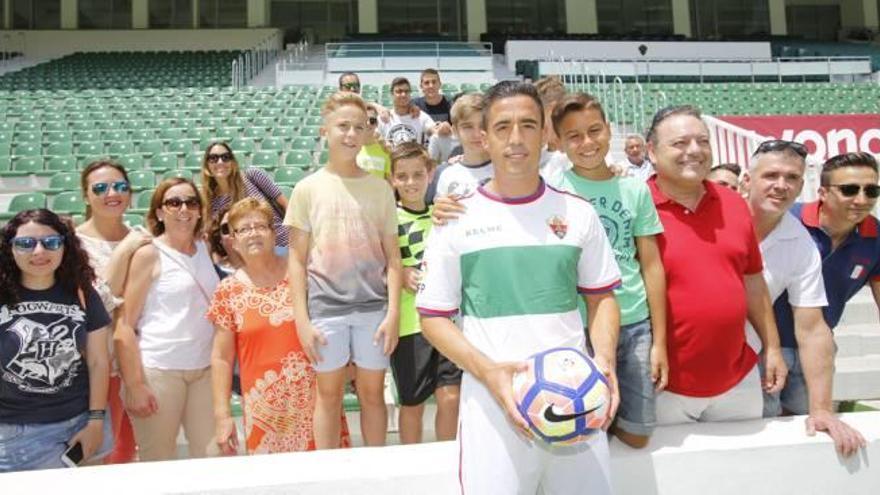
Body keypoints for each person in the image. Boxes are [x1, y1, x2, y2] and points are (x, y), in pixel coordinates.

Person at [418, 81, 621, 494]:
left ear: (545, 132)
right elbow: (433, 319)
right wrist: (488, 372)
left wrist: (604, 362)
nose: (516, 139)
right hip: (492, 406)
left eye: (528, 125)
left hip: (576, 399)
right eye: (503, 127)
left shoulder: (577, 214)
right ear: (483, 137)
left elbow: (601, 298)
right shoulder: (454, 218)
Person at [645, 105, 786, 425]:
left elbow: (752, 281)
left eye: (702, 141)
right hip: (663, 386)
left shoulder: (735, 205)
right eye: (680, 143)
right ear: (652, 152)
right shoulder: (635, 207)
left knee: (743, 475)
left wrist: (772, 346)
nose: (694, 151)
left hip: (738, 382)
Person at [550, 93, 668, 449]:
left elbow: (650, 264)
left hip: (633, 324)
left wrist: (659, 341)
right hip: (578, 328)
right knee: (581, 432)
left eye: (594, 130)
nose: (587, 142)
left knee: (637, 434)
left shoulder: (635, 189)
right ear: (558, 142)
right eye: (574, 136)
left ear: (609, 130)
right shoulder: (554, 192)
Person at [285, 91, 402, 449]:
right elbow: (296, 260)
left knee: (371, 395)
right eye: (343, 126)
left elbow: (394, 259)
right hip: (325, 311)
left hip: (373, 310)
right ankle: (328, 475)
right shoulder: (307, 189)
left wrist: (394, 313)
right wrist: (302, 321)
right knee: (329, 395)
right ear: (325, 132)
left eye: (359, 127)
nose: (351, 134)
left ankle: (376, 473)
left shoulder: (380, 189)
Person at [742, 141, 865, 457]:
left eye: (792, 178)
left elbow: (812, 327)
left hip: (754, 359)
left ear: (801, 186)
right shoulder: (713, 219)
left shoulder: (800, 242)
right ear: (747, 180)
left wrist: (822, 409)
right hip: (686, 365)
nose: (781, 186)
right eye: (771, 175)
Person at [207, 198, 351, 455]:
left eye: (260, 226)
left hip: (317, 403)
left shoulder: (304, 275)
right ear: (233, 240)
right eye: (243, 229)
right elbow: (221, 358)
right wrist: (222, 415)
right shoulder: (227, 292)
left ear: (274, 234)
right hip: (264, 414)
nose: (253, 233)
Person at [115, 178, 220, 461]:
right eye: (174, 202)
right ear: (160, 212)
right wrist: (135, 385)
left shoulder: (206, 248)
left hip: (205, 371)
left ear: (199, 210)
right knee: (159, 462)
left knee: (214, 457)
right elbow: (124, 324)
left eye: (191, 201)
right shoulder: (148, 254)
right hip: (160, 371)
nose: (183, 208)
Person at [0, 209, 112, 471]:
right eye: (26, 244)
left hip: (83, 425)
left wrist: (95, 422)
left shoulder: (82, 292)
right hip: (19, 434)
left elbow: (98, 361)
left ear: (65, 246)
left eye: (50, 242)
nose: (39, 252)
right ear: (10, 249)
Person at [773, 152, 880, 409]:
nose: (861, 199)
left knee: (809, 432)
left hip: (817, 350)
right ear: (822, 192)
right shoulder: (785, 221)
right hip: (764, 349)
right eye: (849, 190)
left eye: (872, 190)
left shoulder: (876, 237)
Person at [76, 160, 151, 464]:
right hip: (97, 367)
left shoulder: (142, 236)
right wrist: (123, 251)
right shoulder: (73, 244)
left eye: (120, 187)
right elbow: (95, 307)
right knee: (103, 460)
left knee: (137, 460)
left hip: (141, 364)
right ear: (85, 195)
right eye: (101, 187)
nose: (112, 193)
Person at [387, 142, 460, 444]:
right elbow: (376, 266)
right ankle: (411, 466)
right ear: (392, 179)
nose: (411, 182)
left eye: (418, 174)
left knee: (451, 397)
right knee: (412, 404)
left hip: (448, 321)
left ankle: (447, 461)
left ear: (430, 174)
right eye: (402, 176)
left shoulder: (443, 216)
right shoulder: (387, 219)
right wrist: (399, 272)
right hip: (409, 325)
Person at [199, 142, 290, 249]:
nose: (220, 162)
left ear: (232, 162)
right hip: (251, 255)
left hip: (284, 244)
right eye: (213, 158)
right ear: (207, 165)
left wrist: (296, 238)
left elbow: (286, 205)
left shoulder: (252, 175)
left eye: (225, 157)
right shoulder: (210, 201)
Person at [433, 93, 493, 199]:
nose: (477, 134)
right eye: (468, 127)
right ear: (455, 131)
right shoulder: (447, 176)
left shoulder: (505, 170)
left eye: (483, 125)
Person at [378, 77, 435, 147]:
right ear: (392, 94)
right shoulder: (383, 118)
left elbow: (435, 132)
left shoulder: (421, 117)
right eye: (399, 91)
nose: (403, 95)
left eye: (406, 91)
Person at [356, 103, 392, 180]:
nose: (368, 123)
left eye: (372, 120)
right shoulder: (350, 149)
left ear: (377, 124)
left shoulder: (385, 150)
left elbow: (390, 182)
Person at [208, 207, 244, 279]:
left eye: (238, 226)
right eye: (226, 228)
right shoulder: (212, 273)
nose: (233, 233)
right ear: (220, 239)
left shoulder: (268, 262)